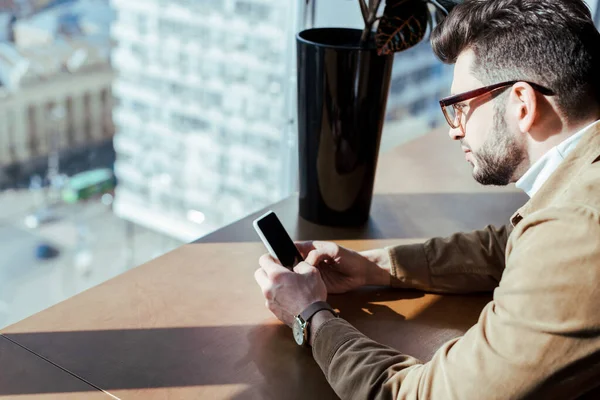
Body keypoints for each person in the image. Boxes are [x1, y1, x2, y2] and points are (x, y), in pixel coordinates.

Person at [254, 0, 600, 398]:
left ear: (522, 103)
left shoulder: (578, 229)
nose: (455, 131)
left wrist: (309, 316)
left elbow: (419, 395)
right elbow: (509, 246)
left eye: (461, 107)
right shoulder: (579, 185)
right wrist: (376, 267)